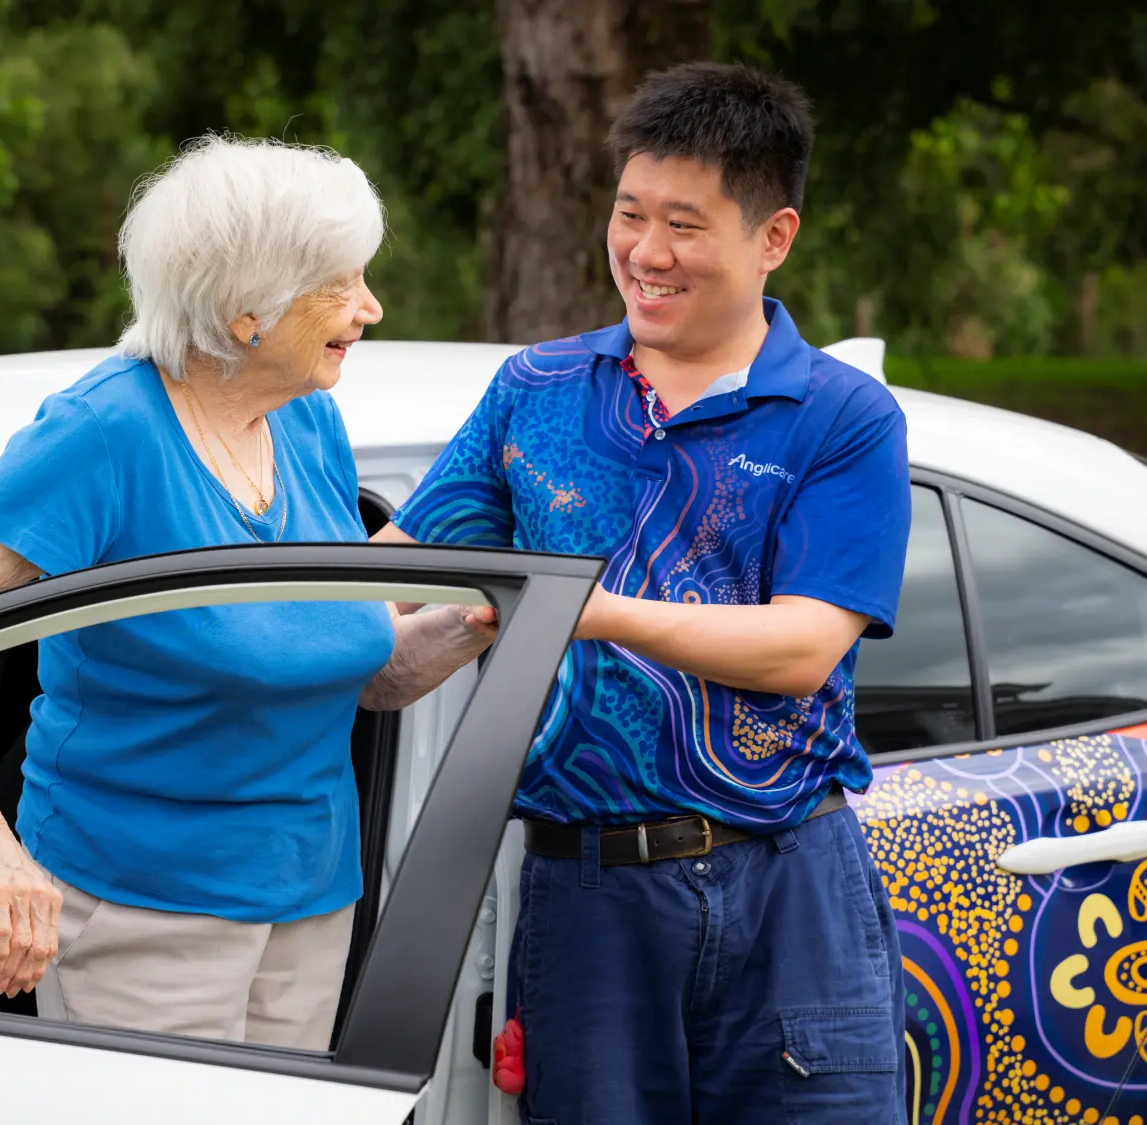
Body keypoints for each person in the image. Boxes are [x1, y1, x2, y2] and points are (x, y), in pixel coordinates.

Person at [0, 135, 495, 1050]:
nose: (371, 308)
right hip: (140, 910)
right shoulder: (107, 431)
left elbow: (358, 664)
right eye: (339, 285)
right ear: (245, 310)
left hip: (311, 895)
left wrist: (481, 623)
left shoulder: (306, 415)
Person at [376, 63, 912, 1123]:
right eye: (628, 215)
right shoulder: (537, 392)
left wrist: (581, 608)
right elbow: (394, 583)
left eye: (684, 224)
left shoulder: (843, 417)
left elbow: (805, 646)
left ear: (775, 236)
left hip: (789, 881)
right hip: (589, 896)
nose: (645, 254)